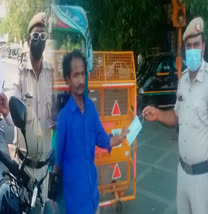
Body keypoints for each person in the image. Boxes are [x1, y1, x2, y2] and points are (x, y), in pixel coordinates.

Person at [142, 17, 208, 214]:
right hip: (182, 173)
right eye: (188, 46)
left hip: (203, 178)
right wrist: (158, 115)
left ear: (203, 47)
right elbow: (176, 117)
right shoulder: (183, 80)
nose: (192, 49)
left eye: (196, 44)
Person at [53, 51, 129, 214]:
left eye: (83, 74)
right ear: (67, 80)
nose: (81, 80)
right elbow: (56, 165)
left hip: (93, 199)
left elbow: (102, 139)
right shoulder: (64, 118)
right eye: (75, 75)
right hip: (74, 204)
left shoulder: (91, 109)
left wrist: (120, 138)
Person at [0, 12, 53, 212]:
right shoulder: (19, 75)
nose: (39, 41)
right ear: (29, 40)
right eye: (35, 36)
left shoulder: (52, 75)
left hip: (44, 169)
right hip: (24, 168)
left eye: (43, 37)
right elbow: (14, 114)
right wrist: (6, 111)